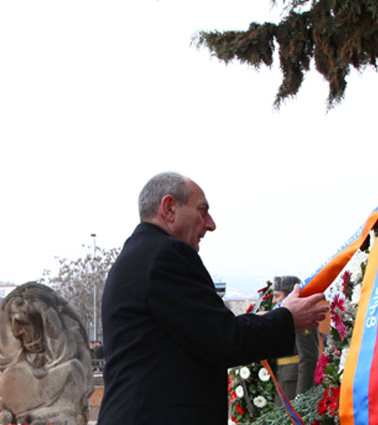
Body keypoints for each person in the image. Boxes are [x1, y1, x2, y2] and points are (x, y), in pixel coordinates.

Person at [98, 172, 327, 425]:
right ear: (170, 207)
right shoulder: (167, 255)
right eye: (202, 211)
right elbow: (223, 339)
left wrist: (263, 319)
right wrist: (287, 318)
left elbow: (195, 333)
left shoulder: (138, 256)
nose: (210, 224)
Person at [270, 275, 319, 405]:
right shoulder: (284, 319)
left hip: (294, 385)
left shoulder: (303, 318)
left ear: (289, 297)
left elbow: (309, 357)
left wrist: (302, 397)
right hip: (282, 381)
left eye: (277, 296)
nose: (274, 301)